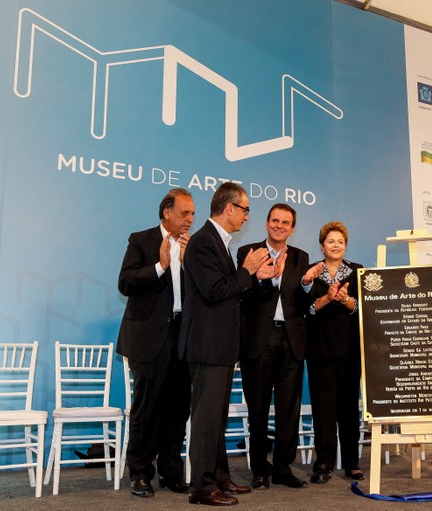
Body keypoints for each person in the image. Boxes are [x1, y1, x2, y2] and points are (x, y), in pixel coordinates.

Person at [178, 182, 280, 506]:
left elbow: (230, 292)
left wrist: (256, 277)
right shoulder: (203, 242)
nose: (247, 216)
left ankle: (220, 478)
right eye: (245, 209)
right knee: (206, 420)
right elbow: (214, 291)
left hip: (219, 346)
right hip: (207, 345)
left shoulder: (217, 241)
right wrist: (247, 269)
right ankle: (202, 487)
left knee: (217, 419)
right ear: (230, 208)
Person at [116, 188, 195, 497]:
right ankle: (140, 472)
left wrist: (189, 266)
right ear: (167, 213)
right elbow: (125, 282)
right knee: (146, 407)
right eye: (184, 213)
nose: (190, 219)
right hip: (148, 337)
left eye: (192, 214)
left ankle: (171, 471)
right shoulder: (141, 240)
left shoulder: (192, 246)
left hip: (181, 336)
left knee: (178, 408)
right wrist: (160, 266)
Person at [237, 204, 311, 490]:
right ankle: (259, 468)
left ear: (292, 229)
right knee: (257, 407)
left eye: (286, 222)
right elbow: (241, 294)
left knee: (288, 408)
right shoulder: (249, 253)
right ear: (266, 224)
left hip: (291, 340)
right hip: (259, 339)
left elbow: (303, 302)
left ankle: (282, 467)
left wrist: (307, 285)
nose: (280, 226)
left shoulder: (301, 257)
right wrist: (268, 279)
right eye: (275, 220)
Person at [301, 221, 364, 484]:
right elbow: (307, 310)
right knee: (323, 409)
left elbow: (363, 309)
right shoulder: (311, 272)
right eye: (330, 241)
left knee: (348, 408)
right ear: (322, 246)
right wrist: (328, 298)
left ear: (345, 246)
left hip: (350, 349)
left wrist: (345, 300)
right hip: (319, 350)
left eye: (340, 241)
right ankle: (324, 463)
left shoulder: (358, 272)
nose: (335, 245)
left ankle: (352, 462)